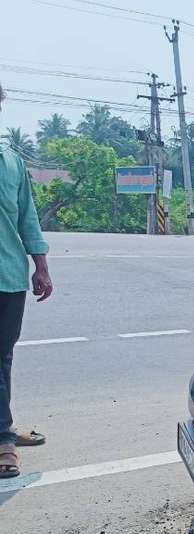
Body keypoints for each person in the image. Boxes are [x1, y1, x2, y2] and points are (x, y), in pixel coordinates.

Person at [0, 83, 54, 478]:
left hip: (8, 275)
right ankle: (3, 438)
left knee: (4, 356)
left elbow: (27, 217)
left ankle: (4, 427)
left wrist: (42, 265)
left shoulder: (11, 163)